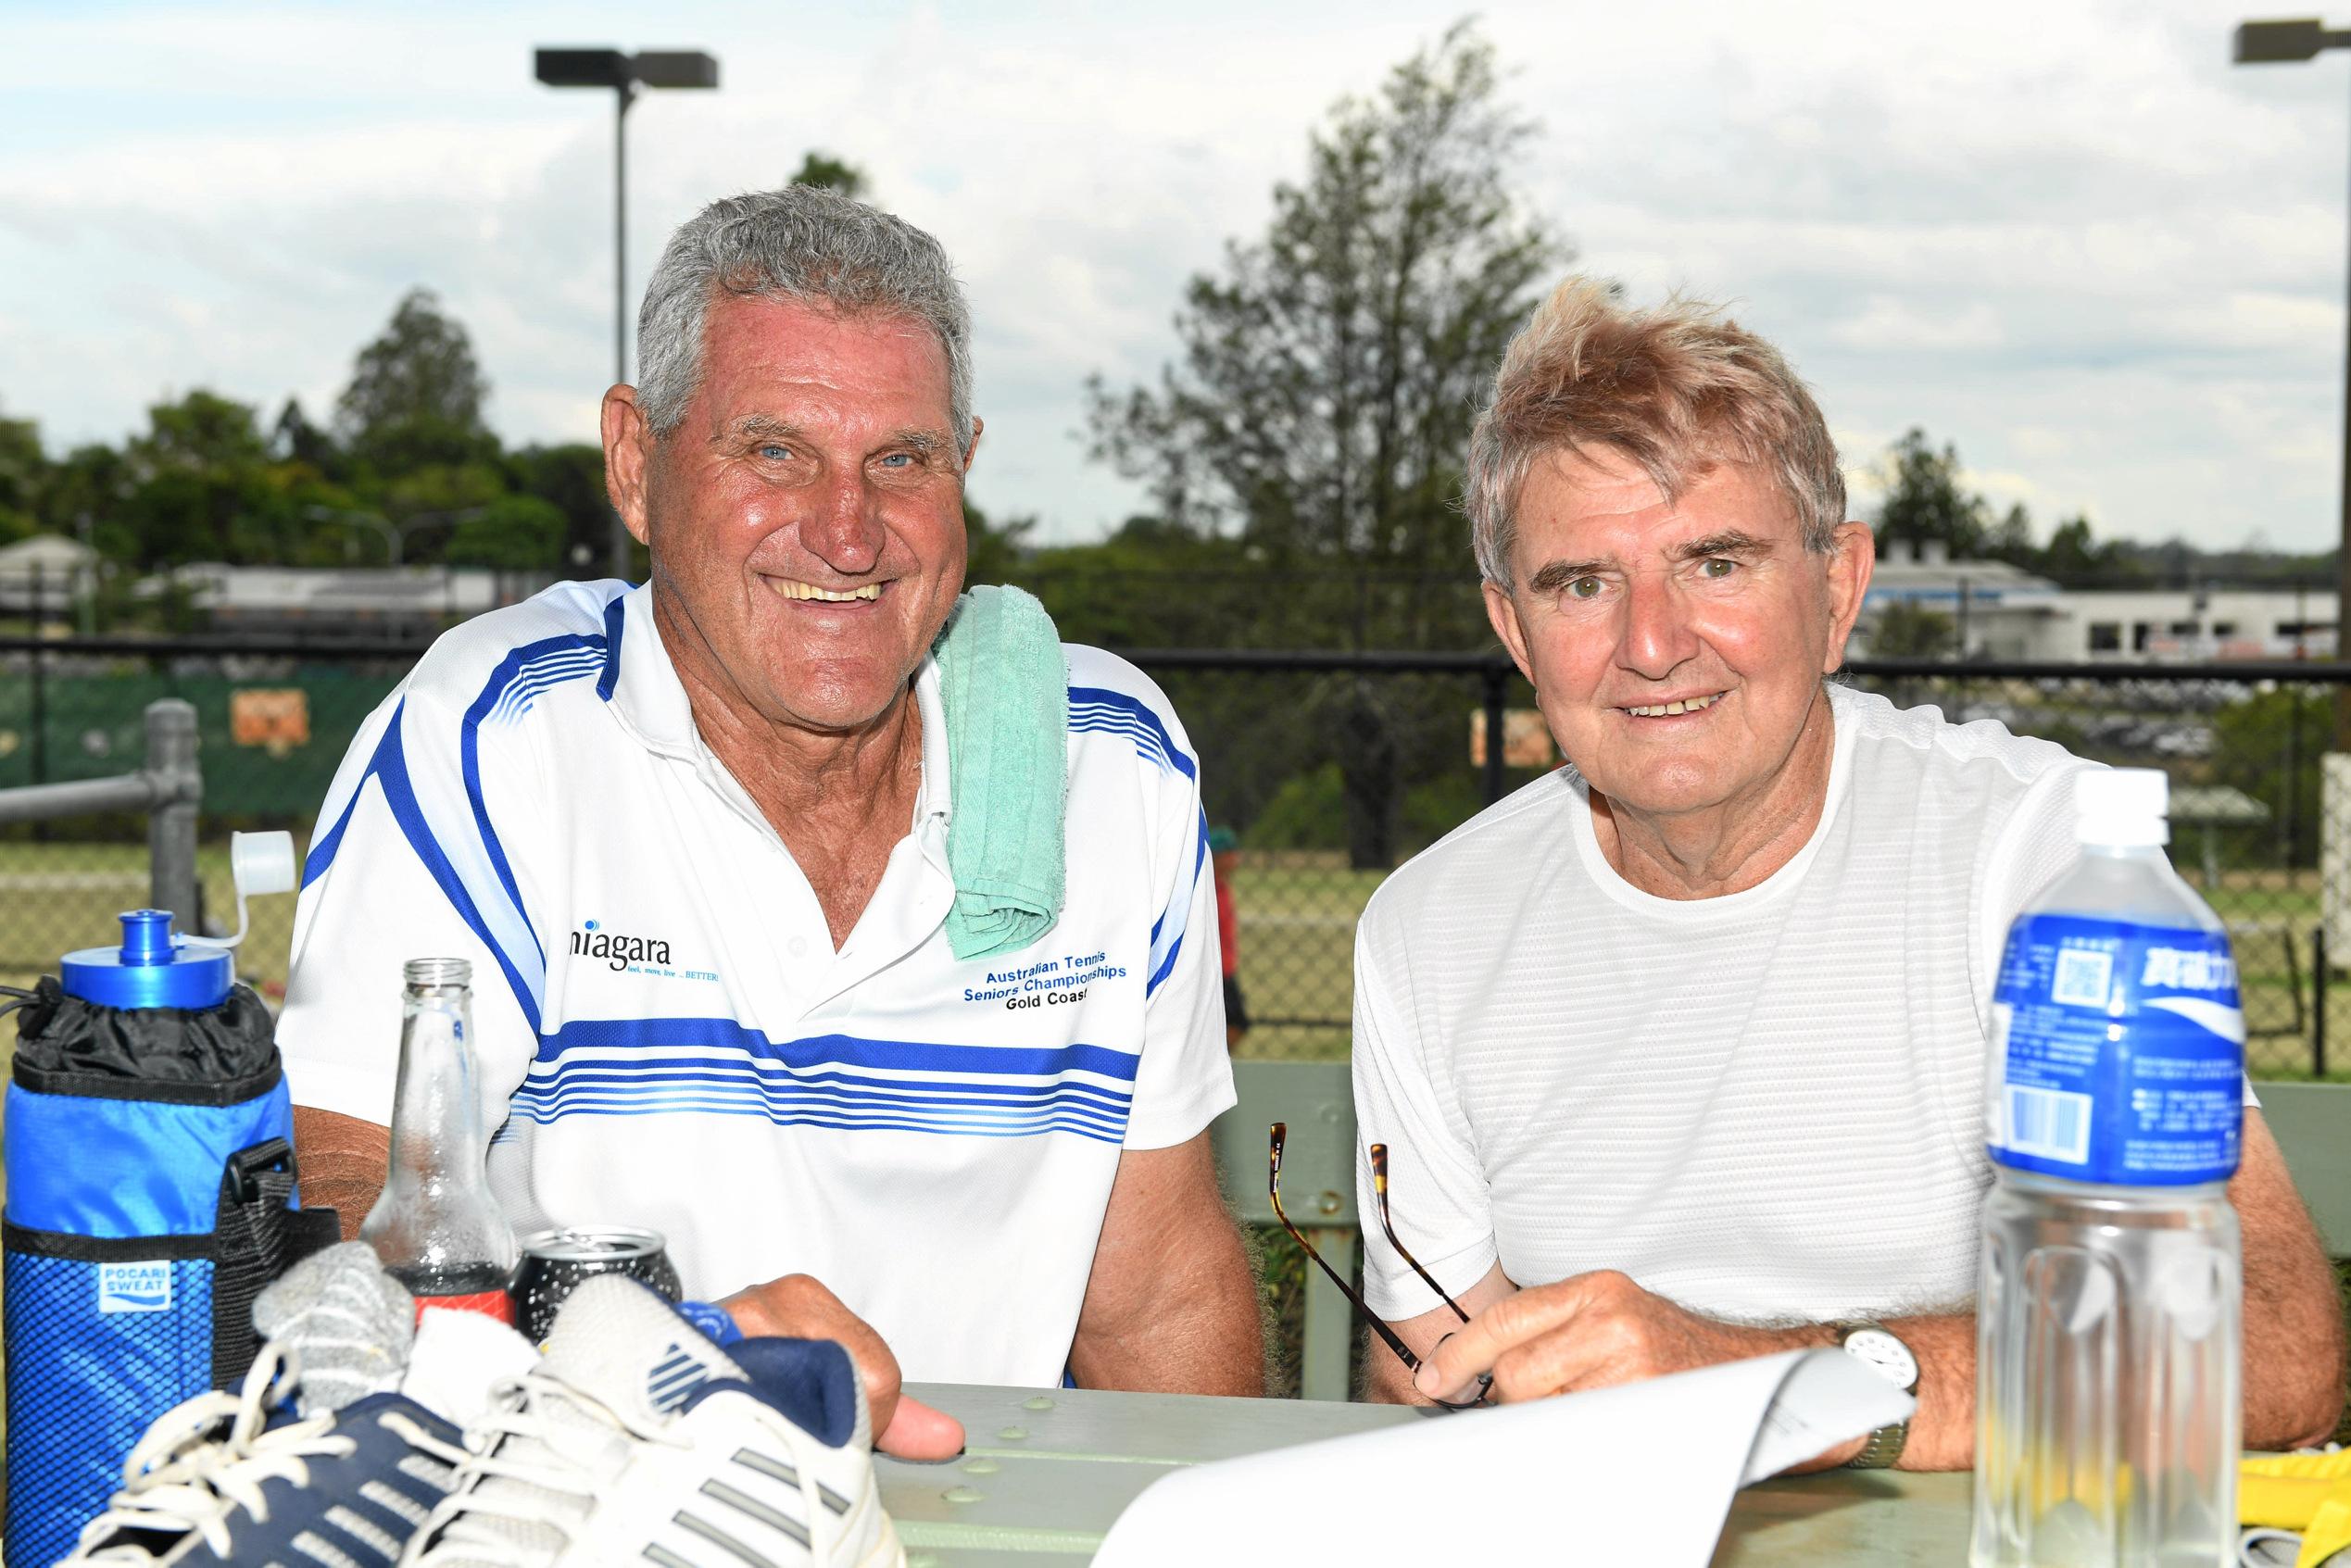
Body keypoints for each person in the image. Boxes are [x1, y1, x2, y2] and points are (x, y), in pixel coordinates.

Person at [280, 187, 1264, 1459]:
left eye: (901, 460)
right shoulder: (498, 736)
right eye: (774, 451)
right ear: (637, 465)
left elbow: (1158, 1294)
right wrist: (659, 1357)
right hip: (586, 1513)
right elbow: (343, 1198)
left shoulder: (1106, 760)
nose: (847, 534)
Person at [1350, 278, 2346, 1465]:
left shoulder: (2040, 852)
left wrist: (1774, 1387)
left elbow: (2271, 1352)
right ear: (1514, 633)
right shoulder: (1431, 927)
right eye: (1582, 583)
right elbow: (1436, 1392)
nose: (1653, 642)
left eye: (1716, 562)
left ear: (1837, 589)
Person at [1209, 826, 1248, 1050]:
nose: (1236, 859)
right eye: (1229, 853)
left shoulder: (1222, 886)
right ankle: (1216, 1057)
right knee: (1237, 1022)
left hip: (1226, 966)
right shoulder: (1209, 888)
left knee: (1233, 1022)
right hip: (1217, 968)